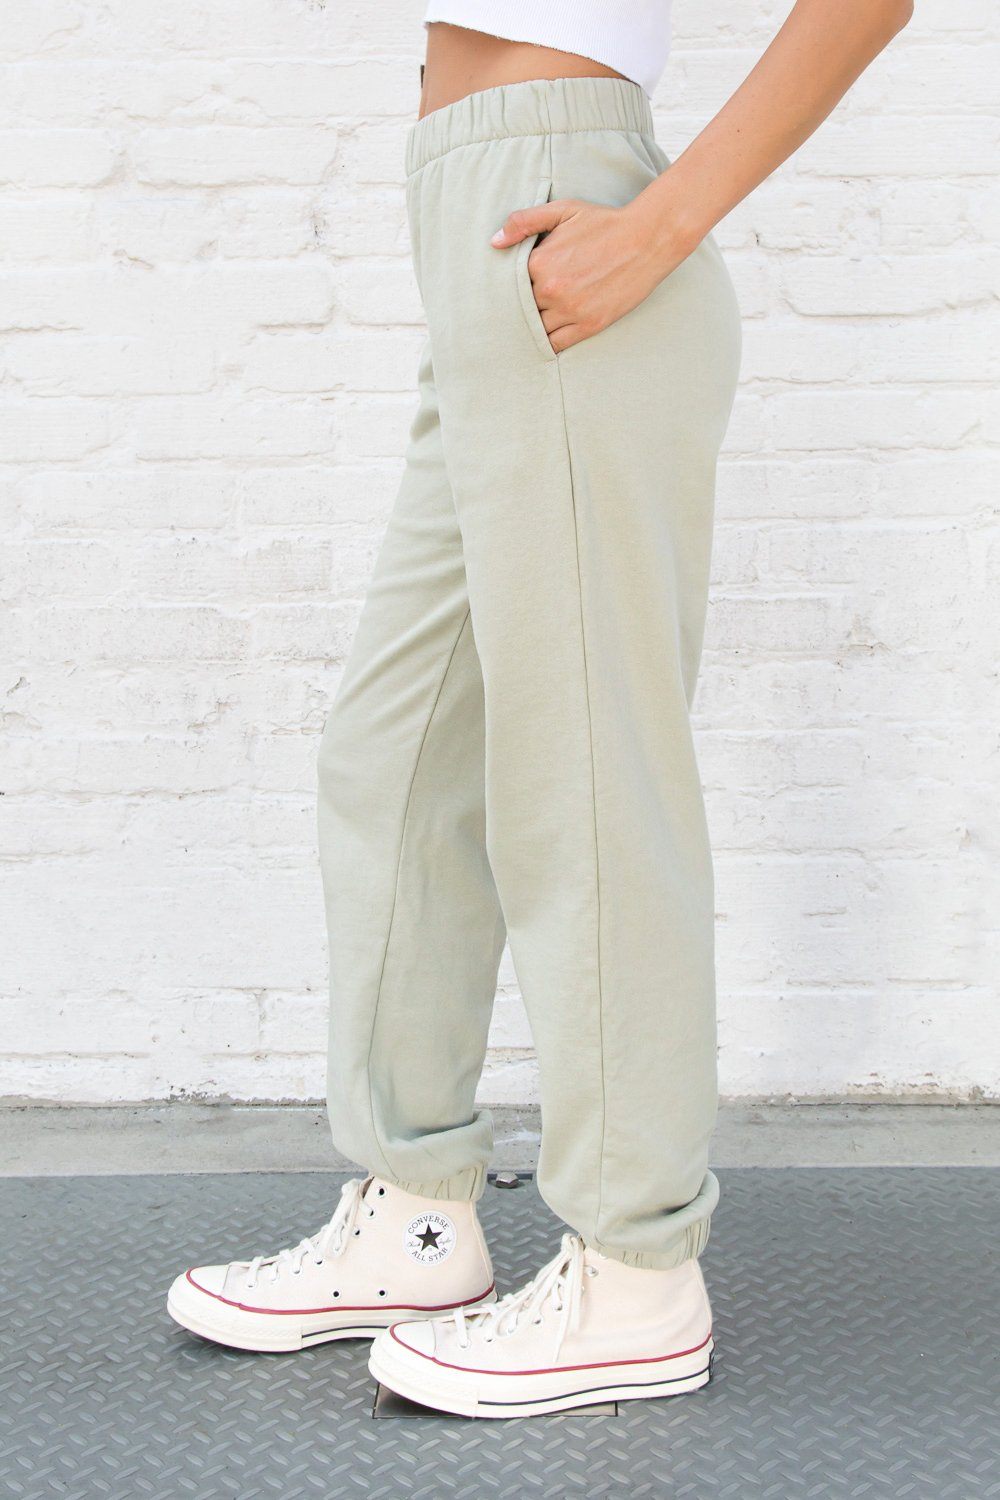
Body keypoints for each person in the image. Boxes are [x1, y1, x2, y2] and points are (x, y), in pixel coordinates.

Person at [167, 0, 913, 1418]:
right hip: (478, 246)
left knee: (585, 787)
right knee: (396, 757)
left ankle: (636, 1276)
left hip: (572, 230)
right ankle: (416, 1217)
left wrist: (663, 224)